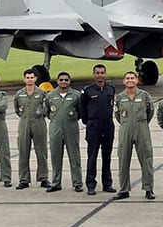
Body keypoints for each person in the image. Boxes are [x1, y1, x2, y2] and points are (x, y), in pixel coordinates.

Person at [113, 71, 156, 200]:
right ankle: (124, 189)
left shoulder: (144, 96)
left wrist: (141, 123)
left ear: (137, 80)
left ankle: (148, 189)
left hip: (141, 128)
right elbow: (118, 116)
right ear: (124, 81)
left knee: (146, 159)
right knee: (123, 159)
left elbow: (150, 111)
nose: (130, 80)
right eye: (127, 78)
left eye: (132, 78)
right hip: (125, 129)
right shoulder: (120, 97)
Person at [80, 64, 116, 195]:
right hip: (93, 126)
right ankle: (90, 184)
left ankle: (107, 184)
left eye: (102, 73)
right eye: (97, 73)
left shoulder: (110, 89)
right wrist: (89, 121)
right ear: (94, 74)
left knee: (107, 156)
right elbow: (82, 110)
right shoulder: (88, 90)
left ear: (105, 74)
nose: (100, 75)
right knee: (92, 156)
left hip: (107, 125)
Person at [44, 72, 83, 193]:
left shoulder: (76, 95)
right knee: (55, 156)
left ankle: (77, 183)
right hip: (55, 128)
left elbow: (80, 112)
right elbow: (47, 112)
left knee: (74, 156)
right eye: (61, 80)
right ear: (57, 81)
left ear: (69, 81)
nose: (64, 82)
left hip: (71, 128)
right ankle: (56, 182)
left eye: (66, 80)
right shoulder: (50, 96)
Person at [13, 68, 50, 190]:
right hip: (24, 123)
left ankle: (43, 178)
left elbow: (46, 107)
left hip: (39, 123)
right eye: (27, 77)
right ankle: (24, 179)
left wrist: (40, 113)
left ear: (35, 79)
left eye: (31, 77)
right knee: (23, 151)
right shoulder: (19, 94)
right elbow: (17, 110)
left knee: (41, 151)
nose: (29, 79)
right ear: (24, 79)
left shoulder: (42, 93)